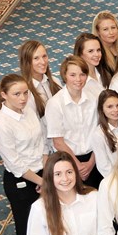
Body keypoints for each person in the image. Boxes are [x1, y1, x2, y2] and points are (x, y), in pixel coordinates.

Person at [0, 74, 48, 235]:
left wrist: (45, 175)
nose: (23, 98)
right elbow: (15, 165)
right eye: (17, 94)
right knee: (26, 228)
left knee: (45, 224)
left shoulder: (28, 111)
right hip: (21, 183)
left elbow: (42, 143)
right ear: (4, 95)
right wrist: (42, 181)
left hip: (40, 175)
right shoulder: (1, 125)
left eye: (25, 93)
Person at [46, 56, 102, 188]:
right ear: (64, 76)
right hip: (68, 160)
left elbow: (101, 131)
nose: (78, 79)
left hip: (95, 157)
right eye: (73, 75)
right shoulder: (55, 104)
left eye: (82, 74)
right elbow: (58, 142)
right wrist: (78, 166)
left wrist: (90, 163)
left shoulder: (94, 98)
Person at [88, 90, 118, 178]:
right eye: (110, 107)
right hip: (117, 180)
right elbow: (104, 167)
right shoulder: (98, 135)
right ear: (102, 109)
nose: (115, 110)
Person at [18, 40, 61, 118]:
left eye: (44, 56)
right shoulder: (25, 92)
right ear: (27, 62)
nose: (43, 62)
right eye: (36, 58)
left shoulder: (55, 81)